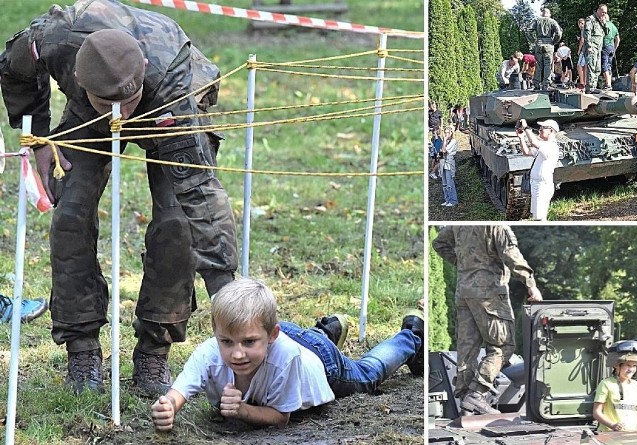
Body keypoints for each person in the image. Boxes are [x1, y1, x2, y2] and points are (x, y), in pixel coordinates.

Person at [0, 0, 238, 395]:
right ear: (78, 76)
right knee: (71, 212)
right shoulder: (55, 40)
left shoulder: (171, 83)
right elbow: (13, 67)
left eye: (125, 103)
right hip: (87, 111)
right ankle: (82, 349)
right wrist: (40, 137)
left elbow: (202, 197)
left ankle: (153, 352)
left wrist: (230, 299)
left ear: (140, 72)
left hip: (164, 105)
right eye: (110, 102)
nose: (120, 117)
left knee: (177, 222)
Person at [150, 278, 424, 431]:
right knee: (307, 340)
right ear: (215, 333)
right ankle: (326, 330)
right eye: (226, 341)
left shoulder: (286, 357)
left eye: (247, 343)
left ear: (271, 334)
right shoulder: (210, 352)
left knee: (366, 375)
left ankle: (411, 334)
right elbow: (179, 391)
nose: (237, 353)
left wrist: (241, 410)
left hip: (320, 363)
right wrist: (168, 407)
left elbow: (281, 418)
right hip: (291, 338)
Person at [431, 226, 542, 415]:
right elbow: (511, 255)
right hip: (489, 294)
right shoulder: (496, 226)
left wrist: (462, 263)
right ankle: (476, 395)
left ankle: (466, 403)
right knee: (503, 346)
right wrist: (530, 284)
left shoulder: (458, 227)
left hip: (464, 292)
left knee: (467, 350)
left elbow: (438, 243)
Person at [593, 341, 637, 432]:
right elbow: (596, 412)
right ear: (616, 365)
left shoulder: (636, 385)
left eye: (634, 366)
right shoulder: (606, 384)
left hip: (631, 436)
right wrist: (612, 425)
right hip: (609, 435)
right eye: (628, 365)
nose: (631, 369)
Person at [516, 118, 561, 221]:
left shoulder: (551, 146)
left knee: (539, 218)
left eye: (543, 128)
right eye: (540, 128)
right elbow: (526, 152)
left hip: (542, 186)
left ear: (551, 131)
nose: (540, 130)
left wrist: (526, 128)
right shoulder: (544, 145)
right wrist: (521, 138)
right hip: (536, 184)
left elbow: (533, 142)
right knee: (537, 216)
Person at [529, 8, 562, 89]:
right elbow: (558, 33)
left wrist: (533, 40)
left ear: (542, 14)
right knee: (548, 64)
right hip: (549, 44)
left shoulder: (536, 20)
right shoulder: (552, 21)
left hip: (539, 43)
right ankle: (546, 85)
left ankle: (536, 84)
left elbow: (529, 30)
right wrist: (554, 41)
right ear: (549, 14)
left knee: (538, 64)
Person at [582, 4, 608, 92]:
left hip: (598, 48)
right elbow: (587, 33)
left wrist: (604, 23)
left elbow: (606, 33)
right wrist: (589, 46)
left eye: (605, 13)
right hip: (592, 46)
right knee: (591, 67)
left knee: (598, 68)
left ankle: (594, 85)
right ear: (598, 10)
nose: (604, 14)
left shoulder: (601, 21)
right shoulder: (591, 19)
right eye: (603, 12)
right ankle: (590, 87)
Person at [600, 13, 620, 90]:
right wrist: (614, 49)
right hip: (611, 47)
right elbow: (618, 40)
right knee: (609, 65)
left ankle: (608, 84)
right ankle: (609, 84)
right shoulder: (614, 26)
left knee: (604, 65)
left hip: (604, 46)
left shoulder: (604, 26)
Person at [440, 126, 458, 207]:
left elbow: (444, 150)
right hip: (443, 162)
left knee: (450, 182)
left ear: (451, 133)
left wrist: (444, 140)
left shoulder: (453, 141)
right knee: (444, 183)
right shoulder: (445, 141)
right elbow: (441, 151)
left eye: (448, 132)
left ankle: (453, 200)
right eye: (445, 132)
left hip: (449, 163)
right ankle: (447, 199)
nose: (446, 134)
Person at [575, 18, 587, 90]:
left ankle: (582, 83)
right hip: (589, 50)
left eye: (582, 23)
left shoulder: (583, 30)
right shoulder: (588, 30)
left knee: (579, 65)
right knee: (585, 67)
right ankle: (585, 83)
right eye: (580, 23)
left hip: (584, 50)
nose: (581, 25)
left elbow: (582, 41)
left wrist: (579, 50)